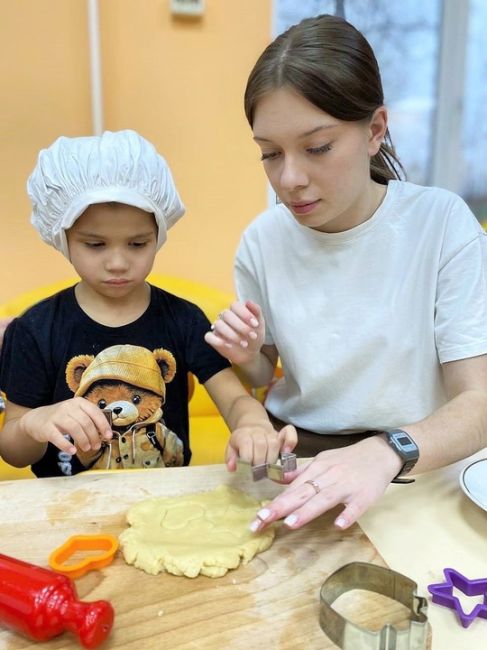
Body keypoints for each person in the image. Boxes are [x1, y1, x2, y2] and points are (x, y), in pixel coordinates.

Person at [205, 14, 487, 533]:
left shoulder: (442, 224)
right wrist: (249, 359)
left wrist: (387, 451)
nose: (289, 179)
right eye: (269, 153)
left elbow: (479, 402)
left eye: (317, 148)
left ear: (375, 130)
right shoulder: (262, 242)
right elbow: (266, 376)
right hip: (299, 459)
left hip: (416, 462)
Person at [0, 129, 296, 477]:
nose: (118, 262)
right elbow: (14, 451)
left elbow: (234, 399)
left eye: (137, 244)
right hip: (66, 509)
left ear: (159, 234)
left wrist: (252, 426)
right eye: (95, 245)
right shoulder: (35, 330)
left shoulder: (183, 319)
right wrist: (36, 421)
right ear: (62, 238)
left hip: (163, 500)